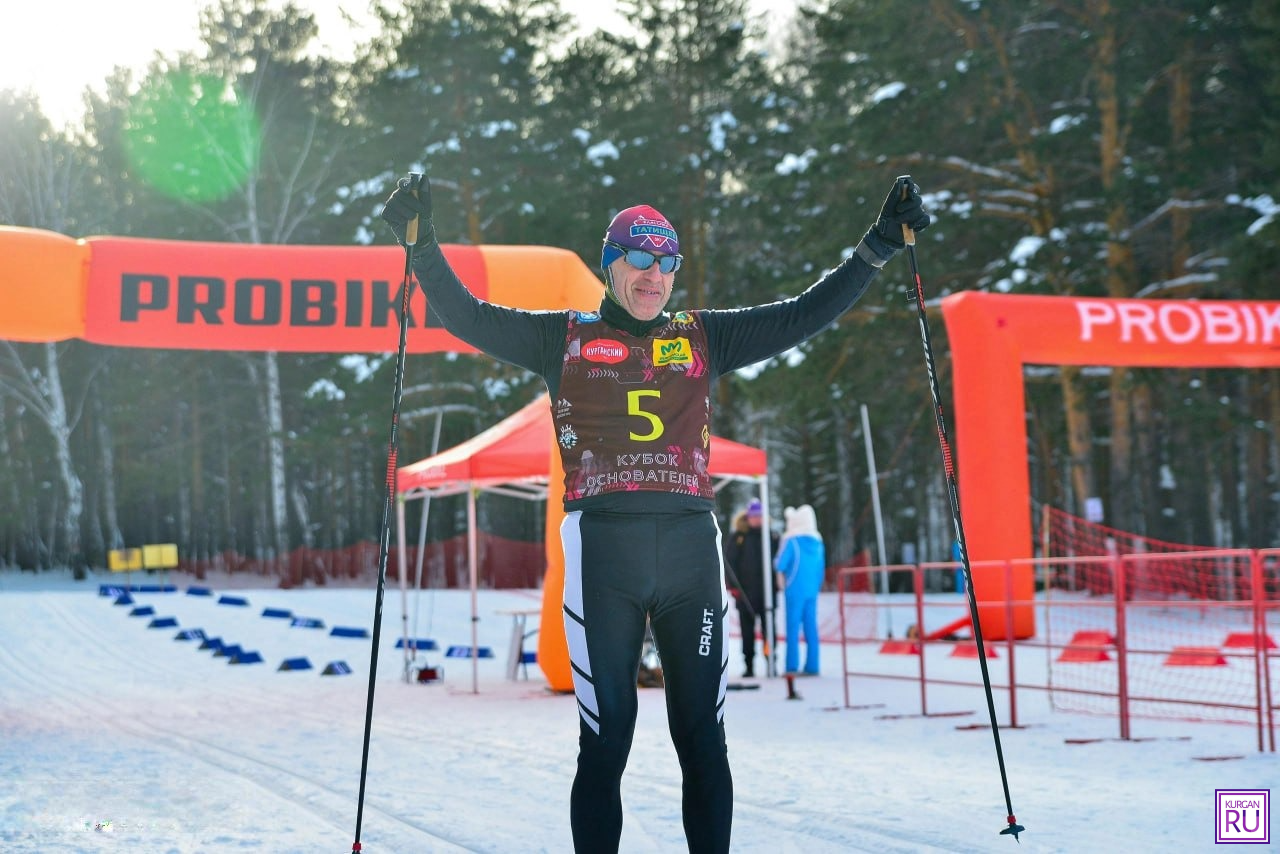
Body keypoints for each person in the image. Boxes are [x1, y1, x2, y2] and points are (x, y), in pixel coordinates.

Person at [380, 173, 930, 854]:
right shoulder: (565, 338)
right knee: (607, 738)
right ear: (611, 264)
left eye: (666, 262)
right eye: (639, 259)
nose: (654, 275)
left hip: (690, 556)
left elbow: (805, 312)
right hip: (603, 553)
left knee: (702, 736)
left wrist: (878, 244)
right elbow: (467, 316)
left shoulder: (705, 338)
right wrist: (422, 240)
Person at [722, 498, 775, 678]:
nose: (756, 519)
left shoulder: (771, 536)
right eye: (753, 516)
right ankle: (749, 664)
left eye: (759, 516)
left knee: (769, 630)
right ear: (747, 517)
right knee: (747, 632)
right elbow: (729, 563)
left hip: (767, 594)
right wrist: (733, 588)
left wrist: (776, 585)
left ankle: (771, 661)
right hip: (745, 594)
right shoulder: (738, 537)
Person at [774, 504, 825, 675]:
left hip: (794, 589)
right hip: (812, 591)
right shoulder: (818, 543)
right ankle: (813, 665)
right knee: (811, 627)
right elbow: (821, 568)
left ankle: (791, 666)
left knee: (793, 628)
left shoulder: (792, 541)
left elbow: (780, 563)